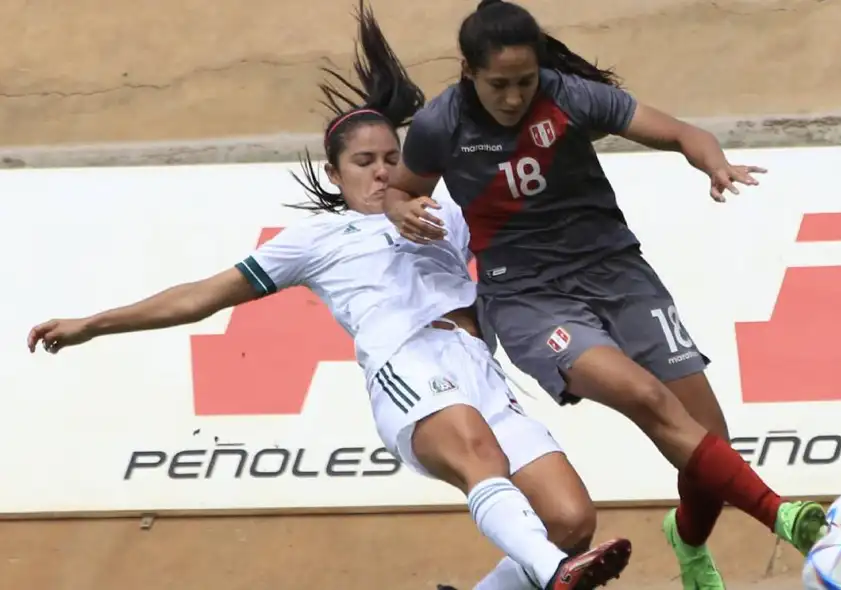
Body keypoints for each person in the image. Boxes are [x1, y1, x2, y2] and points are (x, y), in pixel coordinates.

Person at [24, 3, 631, 589]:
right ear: (336, 176)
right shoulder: (315, 238)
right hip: (407, 362)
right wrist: (94, 323)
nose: (383, 172)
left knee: (569, 521)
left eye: (392, 158)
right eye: (364, 162)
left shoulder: (446, 208)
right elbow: (201, 296)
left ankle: (542, 568)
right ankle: (554, 575)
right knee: (479, 457)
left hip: (479, 364)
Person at [383, 1, 828, 589]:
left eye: (525, 81)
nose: (514, 98)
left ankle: (688, 540)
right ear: (469, 72)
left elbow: (682, 133)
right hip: (529, 299)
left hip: (617, 274)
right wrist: (401, 209)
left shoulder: (569, 96)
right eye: (499, 85)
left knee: (709, 442)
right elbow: (400, 190)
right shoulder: (441, 125)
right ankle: (782, 514)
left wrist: (714, 163)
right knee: (644, 395)